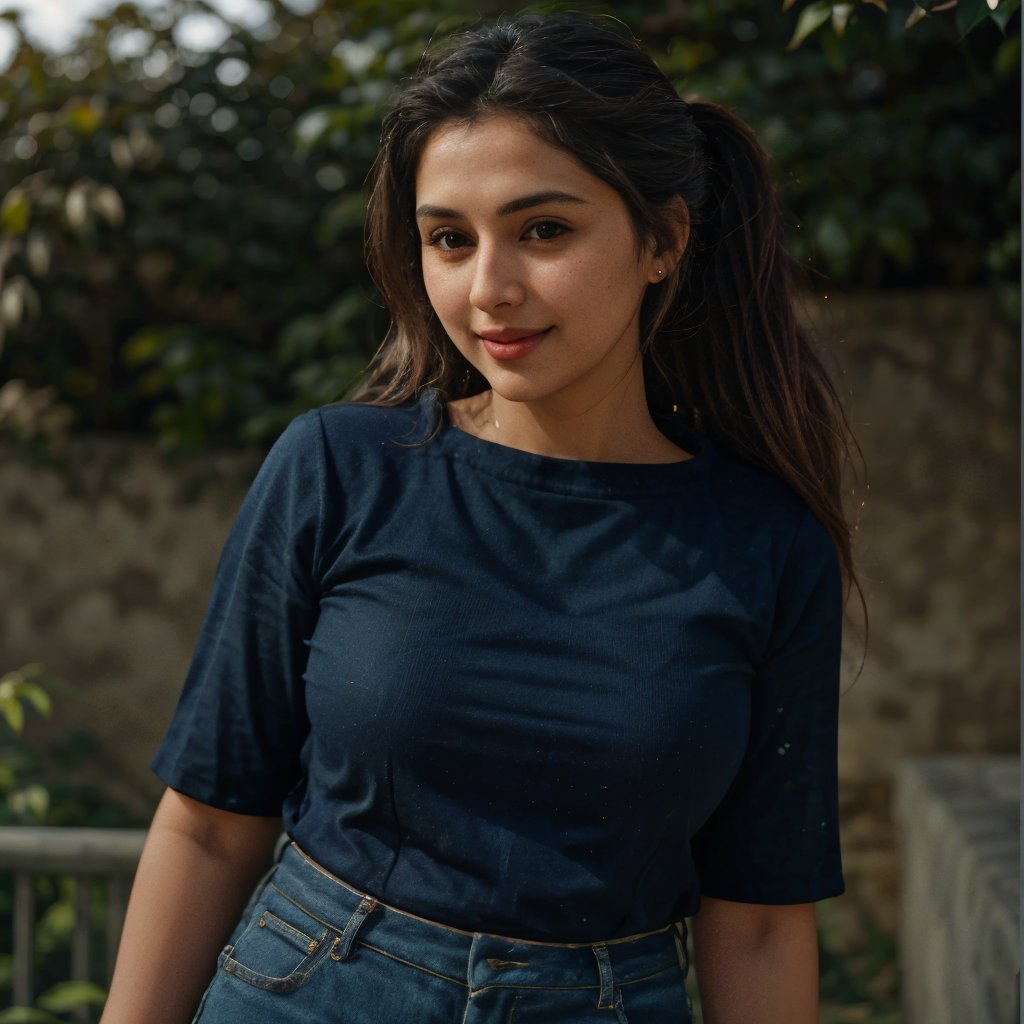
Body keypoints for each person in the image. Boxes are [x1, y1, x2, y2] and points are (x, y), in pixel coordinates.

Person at [101, 12, 859, 1024]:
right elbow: (206, 824)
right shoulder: (337, 468)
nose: (488, 289)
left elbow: (759, 917)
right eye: (448, 239)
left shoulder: (766, 544)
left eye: (543, 229)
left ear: (663, 239)